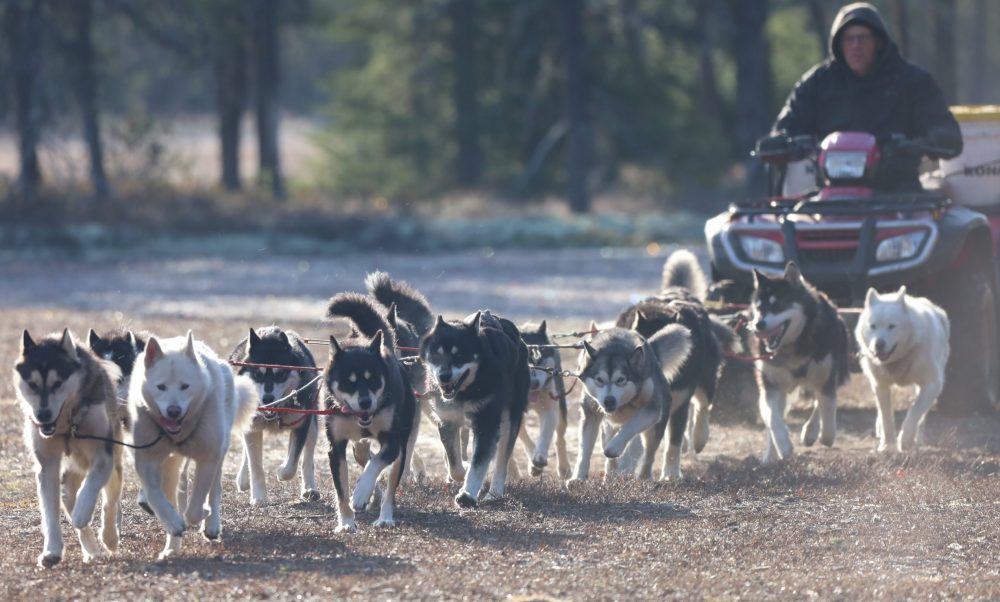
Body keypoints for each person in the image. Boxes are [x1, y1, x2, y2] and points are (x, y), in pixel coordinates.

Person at [769, 2, 962, 192]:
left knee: (938, 221)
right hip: (830, 196)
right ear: (837, 44)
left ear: (878, 41)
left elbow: (944, 129)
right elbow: (788, 125)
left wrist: (932, 140)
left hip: (899, 196)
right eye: (848, 39)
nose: (855, 46)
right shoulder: (817, 83)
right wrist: (781, 141)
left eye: (863, 38)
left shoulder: (912, 81)